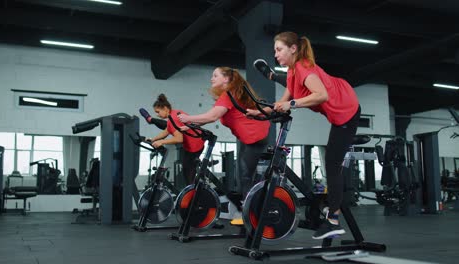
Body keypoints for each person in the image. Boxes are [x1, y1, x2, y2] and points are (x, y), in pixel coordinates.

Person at [249, 32, 361, 240]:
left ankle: (334, 221)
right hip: (335, 99)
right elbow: (280, 106)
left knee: (332, 164)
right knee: (290, 84)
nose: (275, 54)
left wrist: (290, 104)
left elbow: (321, 95)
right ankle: (271, 75)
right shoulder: (293, 72)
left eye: (279, 49)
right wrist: (259, 113)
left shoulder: (303, 68)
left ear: (293, 49)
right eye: (275, 50)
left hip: (348, 110)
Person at [178, 67, 271, 207]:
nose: (211, 78)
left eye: (215, 75)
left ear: (226, 79)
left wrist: (187, 118)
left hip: (255, 138)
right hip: (251, 139)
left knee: (245, 177)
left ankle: (253, 217)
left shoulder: (229, 95)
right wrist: (191, 124)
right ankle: (249, 211)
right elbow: (209, 117)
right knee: (245, 177)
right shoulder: (230, 95)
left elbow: (212, 116)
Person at [144, 94, 205, 185]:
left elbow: (179, 139)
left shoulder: (173, 119)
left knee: (187, 171)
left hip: (195, 146)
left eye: (158, 112)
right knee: (187, 170)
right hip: (193, 144)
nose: (157, 115)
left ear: (165, 108)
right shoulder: (173, 114)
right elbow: (166, 131)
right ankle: (192, 191)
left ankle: (193, 194)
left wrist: (162, 142)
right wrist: (153, 139)